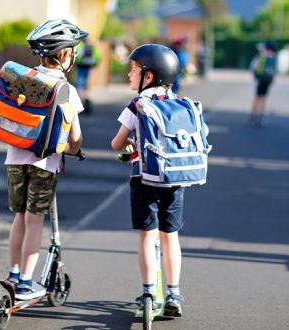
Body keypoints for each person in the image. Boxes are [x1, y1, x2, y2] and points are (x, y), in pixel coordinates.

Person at [5, 19, 87, 301]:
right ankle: (26, 283)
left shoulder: (23, 79)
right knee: (35, 220)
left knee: (19, 217)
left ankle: (13, 273)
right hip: (44, 164)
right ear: (64, 55)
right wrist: (75, 150)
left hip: (14, 159)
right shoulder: (66, 89)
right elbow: (75, 137)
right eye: (72, 51)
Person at [111, 44, 186, 317]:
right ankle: (174, 293)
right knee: (171, 235)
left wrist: (131, 144)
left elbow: (116, 142)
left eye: (133, 70)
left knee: (147, 234)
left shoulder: (138, 105)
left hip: (144, 177)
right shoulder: (179, 101)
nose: (129, 75)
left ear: (149, 76)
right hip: (175, 178)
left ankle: (148, 291)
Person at [249, 40, 277, 127]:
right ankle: (262, 117)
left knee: (257, 97)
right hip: (268, 80)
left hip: (261, 79)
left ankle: (253, 116)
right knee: (264, 97)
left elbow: (252, 66)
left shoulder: (262, 55)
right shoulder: (273, 56)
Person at [75, 38, 100, 114]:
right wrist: (94, 63)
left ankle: (80, 101)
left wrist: (76, 62)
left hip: (80, 66)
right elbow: (97, 56)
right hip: (88, 66)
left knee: (79, 83)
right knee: (85, 83)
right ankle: (86, 98)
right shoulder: (92, 46)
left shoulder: (80, 46)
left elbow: (77, 55)